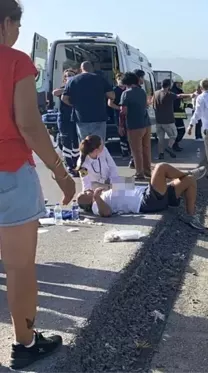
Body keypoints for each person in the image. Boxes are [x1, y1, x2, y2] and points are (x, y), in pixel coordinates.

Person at [0, 2, 76, 368]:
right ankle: (25, 344)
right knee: (18, 268)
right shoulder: (15, 62)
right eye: (16, 26)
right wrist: (62, 173)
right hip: (9, 174)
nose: (17, 33)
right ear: (7, 23)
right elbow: (29, 125)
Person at [76, 163, 207, 230]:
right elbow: (107, 213)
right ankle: (186, 173)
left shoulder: (104, 192)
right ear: (87, 202)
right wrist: (97, 198)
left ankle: (191, 216)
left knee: (189, 180)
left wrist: (110, 185)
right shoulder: (95, 206)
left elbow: (130, 185)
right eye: (84, 194)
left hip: (147, 192)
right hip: (146, 201)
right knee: (162, 167)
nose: (86, 191)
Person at [61, 61, 114, 141]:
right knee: (98, 144)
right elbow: (112, 95)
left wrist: (74, 105)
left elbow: (64, 98)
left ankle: (85, 153)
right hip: (99, 117)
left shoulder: (73, 81)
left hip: (81, 117)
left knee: (84, 144)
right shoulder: (100, 79)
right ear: (92, 69)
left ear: (81, 69)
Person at [119, 72, 151, 181]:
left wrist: (121, 126)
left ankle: (139, 173)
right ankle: (148, 171)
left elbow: (123, 112)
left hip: (134, 125)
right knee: (146, 148)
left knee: (136, 150)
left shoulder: (126, 93)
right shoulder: (142, 92)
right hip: (146, 124)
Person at [153, 79, 193, 160]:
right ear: (169, 86)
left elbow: (152, 104)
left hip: (158, 121)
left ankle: (161, 154)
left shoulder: (156, 93)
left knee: (161, 139)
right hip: (168, 121)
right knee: (174, 135)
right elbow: (179, 96)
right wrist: (190, 95)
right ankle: (169, 147)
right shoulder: (168, 94)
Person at [52, 69, 79, 176]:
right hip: (64, 119)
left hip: (75, 118)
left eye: (71, 75)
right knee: (66, 142)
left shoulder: (77, 89)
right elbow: (55, 92)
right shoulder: (63, 89)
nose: (69, 77)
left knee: (76, 143)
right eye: (67, 76)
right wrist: (67, 90)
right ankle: (69, 166)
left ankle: (77, 164)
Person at [107, 73, 132, 163]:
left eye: (122, 78)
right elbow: (110, 104)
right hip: (118, 115)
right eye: (119, 78)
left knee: (130, 133)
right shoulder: (114, 90)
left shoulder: (128, 90)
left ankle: (130, 150)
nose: (121, 80)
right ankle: (124, 152)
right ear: (116, 80)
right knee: (122, 133)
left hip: (129, 115)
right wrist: (119, 108)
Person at [170, 79, 187, 151]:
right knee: (181, 130)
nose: (181, 85)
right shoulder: (174, 91)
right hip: (176, 114)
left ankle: (175, 144)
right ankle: (174, 144)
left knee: (179, 130)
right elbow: (176, 103)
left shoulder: (178, 90)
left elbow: (181, 102)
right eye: (180, 83)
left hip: (179, 113)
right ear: (176, 83)